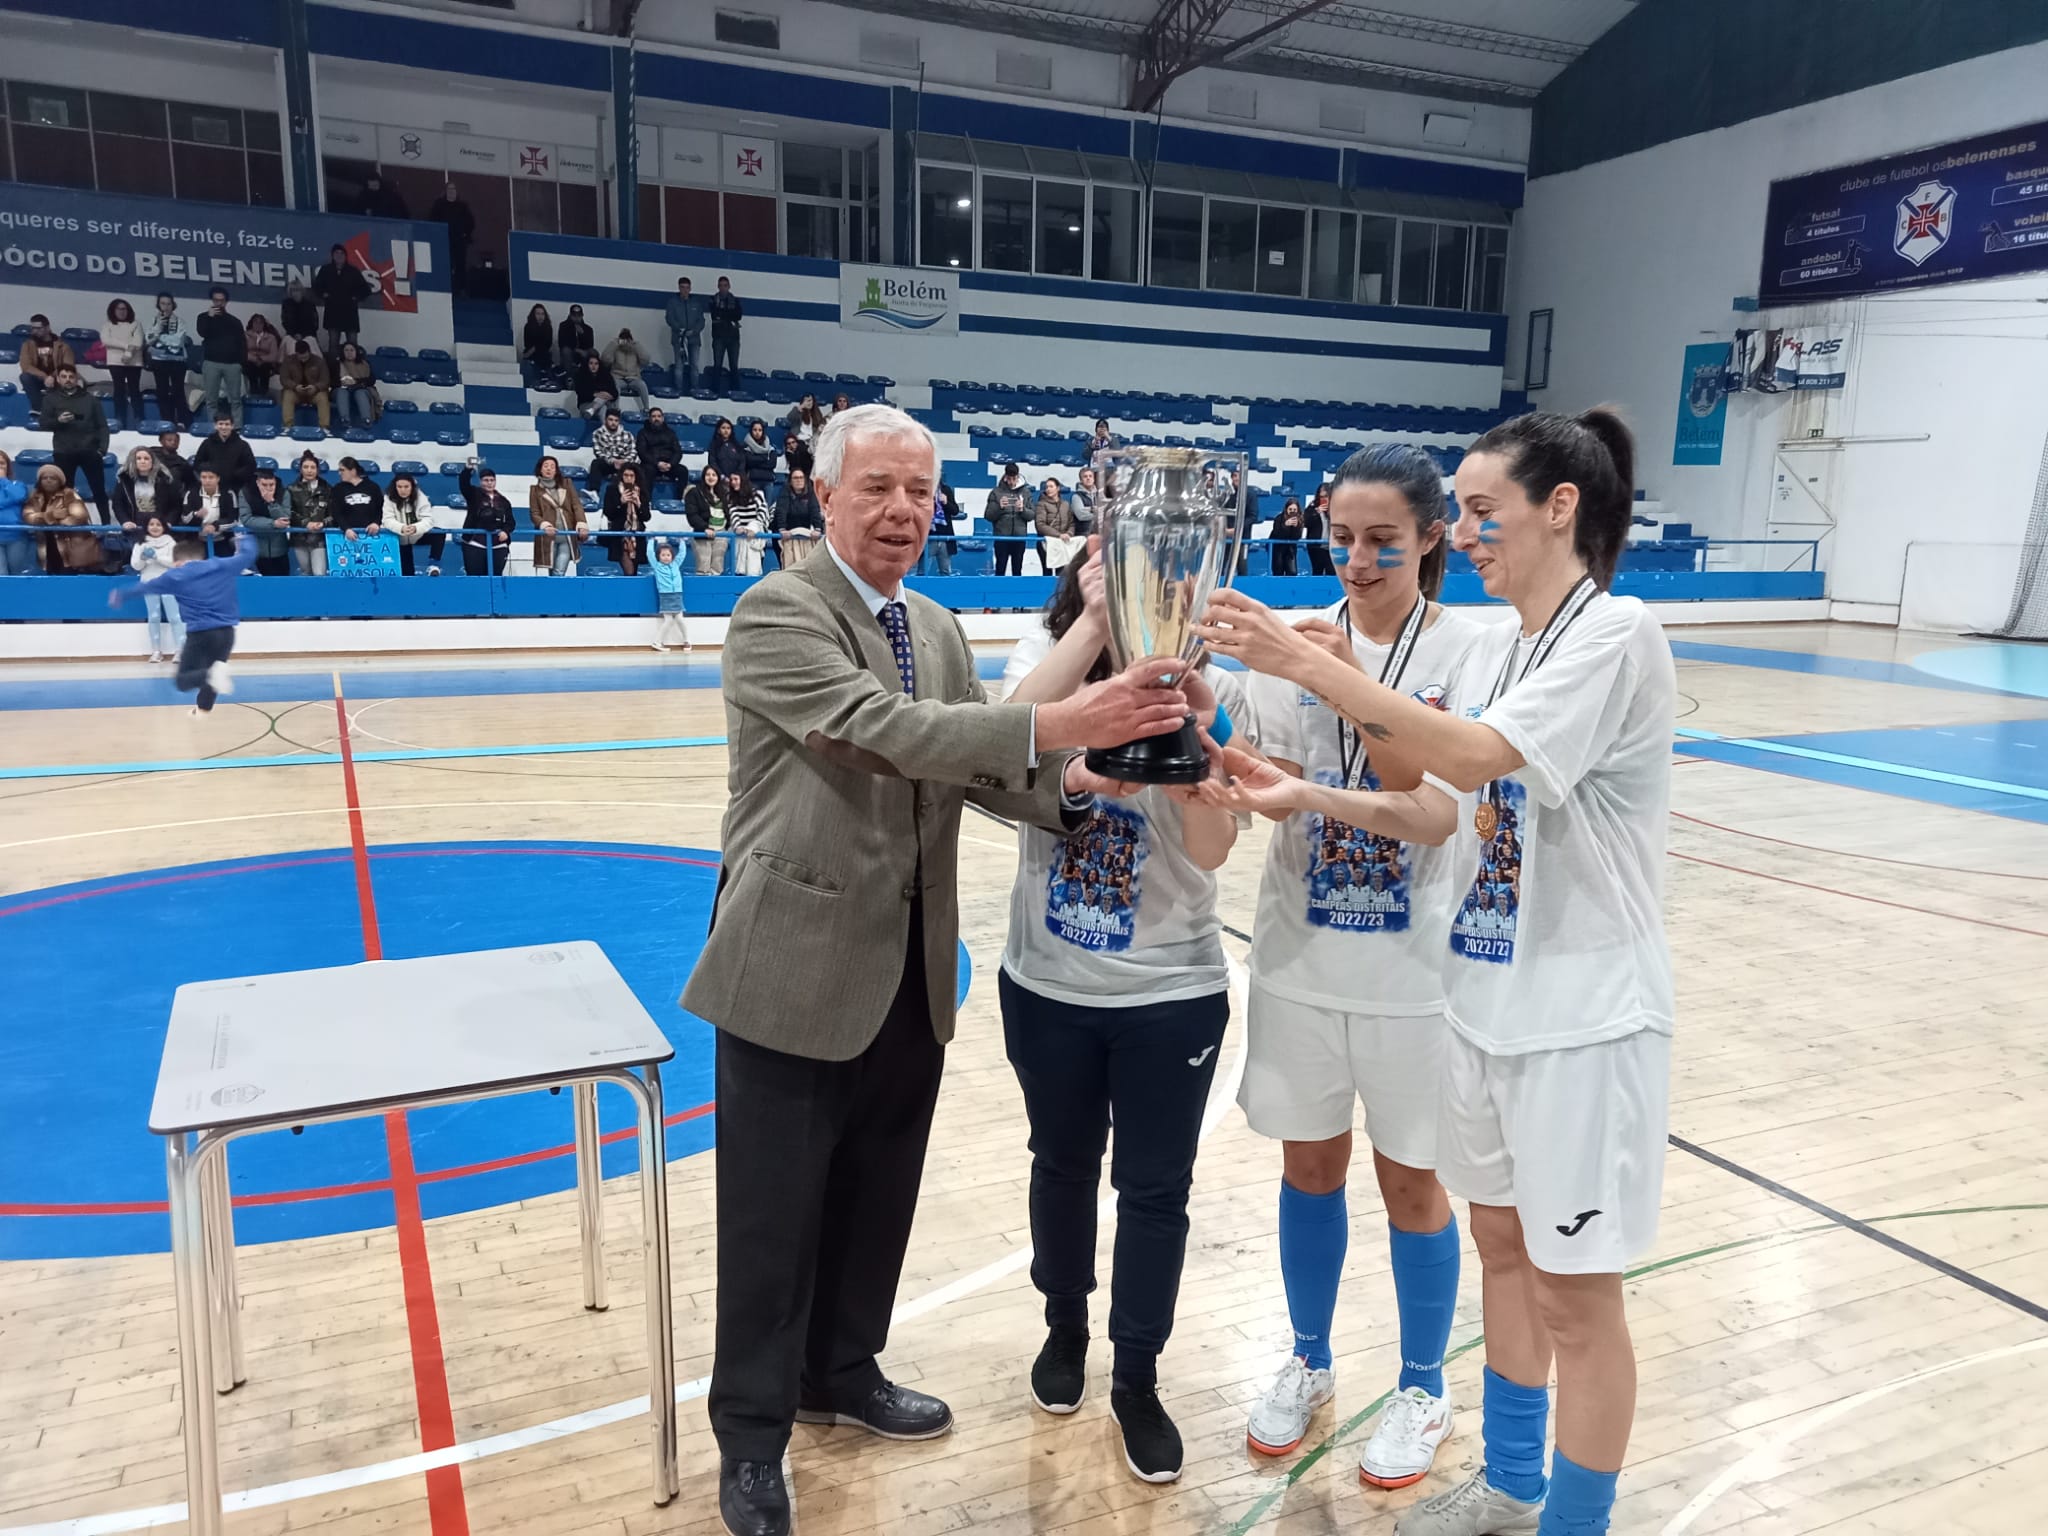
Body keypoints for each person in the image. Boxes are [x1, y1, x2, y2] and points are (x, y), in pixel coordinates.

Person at [680, 402, 1192, 1536]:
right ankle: (753, 1440)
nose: (903, 510)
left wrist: (1074, 784)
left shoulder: (940, 624)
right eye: (876, 487)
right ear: (822, 496)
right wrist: (1065, 714)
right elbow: (882, 733)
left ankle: (841, 1373)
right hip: (790, 965)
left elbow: (967, 769)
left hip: (910, 969)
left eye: (919, 490)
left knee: (877, 1195)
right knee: (771, 1222)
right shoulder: (776, 612)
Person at [1197, 409, 1673, 1536]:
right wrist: (1311, 744)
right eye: (1456, 514)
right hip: (1483, 1000)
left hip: (1579, 1017)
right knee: (1501, 1251)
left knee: (1574, 1298)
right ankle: (1510, 1486)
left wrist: (1313, 666)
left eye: (1477, 512)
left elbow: (1468, 759)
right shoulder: (1511, 645)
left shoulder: (1617, 631)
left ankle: (1572, 1521)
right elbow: (1429, 797)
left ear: (1560, 507)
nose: (1462, 534)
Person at [1195, 446, 1482, 1491]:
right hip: (1299, 958)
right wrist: (1211, 733)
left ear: (1431, 535)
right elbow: (1261, 769)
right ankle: (1309, 1363)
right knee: (1306, 1168)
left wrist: (1332, 675)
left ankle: (1421, 1386)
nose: (1356, 563)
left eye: (1382, 542)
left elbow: (1424, 793)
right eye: (1342, 539)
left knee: (1412, 1181)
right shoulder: (1290, 641)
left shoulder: (1471, 652)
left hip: (1416, 973)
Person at [998, 546, 1243, 1484]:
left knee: (1154, 1194)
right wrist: (1097, 626)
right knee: (1060, 1166)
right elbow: (999, 733)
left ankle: (1137, 1375)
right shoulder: (1045, 651)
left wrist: (1197, 769)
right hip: (1051, 986)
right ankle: (1065, 1326)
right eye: (1117, 569)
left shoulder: (1211, 685)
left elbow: (1216, 849)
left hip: (1170, 993)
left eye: (1154, 574)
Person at [106, 527, 258, 714]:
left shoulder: (176, 576)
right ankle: (203, 709)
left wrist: (121, 594)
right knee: (216, 671)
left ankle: (209, 681)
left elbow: (145, 587)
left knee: (184, 680)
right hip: (227, 634)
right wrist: (244, 537)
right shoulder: (221, 566)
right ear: (200, 557)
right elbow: (248, 555)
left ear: (177, 562)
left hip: (200, 634)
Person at [38, 363, 111, 523]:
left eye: (71, 376)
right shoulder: (50, 399)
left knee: (99, 491)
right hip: (63, 452)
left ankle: (107, 526)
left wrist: (102, 450)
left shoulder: (91, 400)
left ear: (76, 378)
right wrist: (58, 421)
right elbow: (43, 423)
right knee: (64, 492)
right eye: (64, 377)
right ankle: (66, 526)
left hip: (90, 452)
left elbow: (103, 426)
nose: (68, 380)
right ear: (58, 379)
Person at [24, 465, 101, 574]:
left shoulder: (69, 494)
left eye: (53, 478)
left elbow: (79, 517)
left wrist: (48, 520)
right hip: (46, 547)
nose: (48, 480)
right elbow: (28, 517)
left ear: (60, 481)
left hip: (69, 548)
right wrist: (52, 515)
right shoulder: (35, 496)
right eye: (44, 478)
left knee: (69, 580)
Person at [130, 515, 186, 659]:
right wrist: (143, 558)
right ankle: (156, 651)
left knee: (174, 617)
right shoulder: (140, 544)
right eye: (151, 524)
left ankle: (180, 650)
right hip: (149, 584)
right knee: (154, 617)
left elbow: (175, 562)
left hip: (168, 584)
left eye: (158, 524)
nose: (155, 527)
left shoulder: (170, 542)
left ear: (164, 527)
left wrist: (157, 558)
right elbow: (136, 566)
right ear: (147, 527)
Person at [194, 287, 247, 428]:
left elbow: (242, 343)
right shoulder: (203, 318)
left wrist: (241, 363)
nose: (219, 303)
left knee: (235, 400)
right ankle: (213, 428)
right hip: (211, 363)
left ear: (226, 302)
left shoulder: (234, 321)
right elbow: (202, 332)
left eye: (222, 300)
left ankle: (237, 428)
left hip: (232, 365)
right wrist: (209, 317)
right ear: (212, 300)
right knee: (211, 400)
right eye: (216, 300)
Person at [313, 245, 375, 356]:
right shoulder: (326, 270)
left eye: (342, 253)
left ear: (346, 256)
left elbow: (365, 289)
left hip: (349, 312)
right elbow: (317, 287)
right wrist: (324, 294)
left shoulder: (353, 271)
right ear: (332, 255)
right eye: (336, 253)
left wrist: (356, 297)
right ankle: (334, 371)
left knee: (352, 344)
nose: (339, 256)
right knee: (333, 344)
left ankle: (354, 370)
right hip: (333, 311)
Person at [529, 455, 585, 576]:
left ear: (556, 470)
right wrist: (544, 525)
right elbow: (534, 513)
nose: (549, 469)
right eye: (546, 466)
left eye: (552, 466)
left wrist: (582, 523)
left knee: (559, 572)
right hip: (548, 537)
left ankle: (555, 593)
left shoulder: (567, 483)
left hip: (567, 535)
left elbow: (577, 505)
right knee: (552, 571)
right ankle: (554, 593)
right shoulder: (535, 490)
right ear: (540, 469)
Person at [457, 460, 514, 576]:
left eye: (492, 480)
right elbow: (464, 485)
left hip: (498, 545)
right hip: (474, 543)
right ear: (480, 481)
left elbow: (511, 521)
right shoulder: (473, 494)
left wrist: (506, 532)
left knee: (495, 579)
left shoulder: (504, 501)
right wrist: (467, 470)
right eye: (486, 480)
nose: (489, 483)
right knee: (475, 579)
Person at [145, 293, 191, 427]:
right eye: (163, 303)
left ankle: (183, 421)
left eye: (168, 303)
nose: (166, 306)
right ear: (158, 305)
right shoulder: (153, 321)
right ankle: (167, 421)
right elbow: (149, 340)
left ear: (173, 305)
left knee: (178, 390)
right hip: (159, 361)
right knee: (162, 391)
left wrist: (160, 338)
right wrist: (159, 330)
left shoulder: (180, 321)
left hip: (178, 361)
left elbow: (178, 341)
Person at [386, 471, 445, 575]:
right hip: (399, 538)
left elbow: (428, 519)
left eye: (406, 486)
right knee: (407, 573)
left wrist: (416, 528)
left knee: (439, 533)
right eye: (399, 487)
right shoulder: (388, 498)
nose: (402, 490)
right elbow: (387, 520)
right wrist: (401, 528)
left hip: (417, 534)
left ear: (412, 486)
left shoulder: (420, 497)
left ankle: (433, 564)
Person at [114, 446, 177, 543]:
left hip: (160, 524)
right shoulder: (124, 480)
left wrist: (168, 521)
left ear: (153, 461)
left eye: (146, 458)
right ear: (133, 461)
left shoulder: (165, 479)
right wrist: (125, 521)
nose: (142, 461)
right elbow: (118, 504)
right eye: (138, 459)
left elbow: (175, 505)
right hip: (134, 524)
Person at [239, 468, 295, 577]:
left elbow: (285, 518)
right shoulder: (246, 493)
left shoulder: (283, 492)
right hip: (257, 550)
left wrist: (272, 502)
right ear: (257, 483)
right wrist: (273, 523)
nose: (268, 489)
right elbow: (247, 519)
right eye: (264, 485)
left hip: (280, 550)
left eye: (271, 485)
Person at [103, 299, 147, 430]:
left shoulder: (136, 323)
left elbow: (138, 341)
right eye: (118, 309)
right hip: (115, 362)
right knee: (119, 390)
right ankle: (119, 419)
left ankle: (139, 420)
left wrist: (129, 353)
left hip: (134, 362)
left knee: (135, 391)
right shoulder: (108, 325)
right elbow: (106, 340)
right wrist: (127, 346)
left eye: (124, 309)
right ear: (113, 310)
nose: (121, 312)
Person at [193, 413, 257, 502]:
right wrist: (211, 474)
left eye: (227, 424)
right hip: (211, 488)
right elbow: (198, 464)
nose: (224, 427)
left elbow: (250, 466)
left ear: (232, 426)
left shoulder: (243, 445)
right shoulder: (207, 444)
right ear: (215, 426)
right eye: (221, 424)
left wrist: (234, 475)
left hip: (235, 488)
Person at [17, 314, 74, 413]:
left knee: (66, 377)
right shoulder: (27, 345)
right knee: (25, 377)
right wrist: (45, 376)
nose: (35, 331)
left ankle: (58, 409)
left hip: (57, 378)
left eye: (38, 328)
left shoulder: (63, 346)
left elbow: (68, 365)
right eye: (33, 328)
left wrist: (52, 376)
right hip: (38, 378)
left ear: (47, 328)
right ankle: (39, 409)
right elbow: (26, 366)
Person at [286, 454, 333, 575]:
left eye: (312, 467)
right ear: (301, 469)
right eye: (306, 467)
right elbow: (288, 511)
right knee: (305, 572)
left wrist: (323, 523)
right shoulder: (291, 489)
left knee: (319, 573)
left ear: (317, 470)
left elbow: (333, 513)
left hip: (319, 538)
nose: (309, 470)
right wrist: (306, 523)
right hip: (299, 538)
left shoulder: (328, 489)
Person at [985, 462, 1031, 576]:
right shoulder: (996, 492)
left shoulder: (1026, 492)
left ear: (1018, 476)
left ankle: (1017, 593)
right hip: (1002, 537)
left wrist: (1022, 509)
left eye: (1014, 478)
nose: (1011, 481)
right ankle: (997, 593)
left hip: (1019, 538)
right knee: (1000, 568)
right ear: (1005, 477)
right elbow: (988, 515)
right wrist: (999, 507)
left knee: (1017, 569)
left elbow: (1031, 515)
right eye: (1009, 478)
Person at [429, 182, 475, 296]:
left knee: (460, 265)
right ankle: (445, 288)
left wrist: (466, 234)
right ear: (445, 191)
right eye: (449, 189)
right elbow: (432, 220)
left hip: (459, 240)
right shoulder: (439, 205)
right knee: (445, 264)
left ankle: (461, 289)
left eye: (453, 189)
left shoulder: (462, 206)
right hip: (443, 240)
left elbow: (471, 222)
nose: (451, 192)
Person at [604, 461, 649, 577]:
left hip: (637, 536)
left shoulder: (642, 492)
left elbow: (646, 517)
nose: (628, 478)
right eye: (626, 475)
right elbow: (608, 513)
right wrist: (621, 503)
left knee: (633, 571)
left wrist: (639, 504)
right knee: (629, 572)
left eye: (631, 476)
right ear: (621, 476)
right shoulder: (612, 490)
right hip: (620, 535)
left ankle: (631, 593)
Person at [771, 467, 822, 566]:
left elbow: (814, 510)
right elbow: (781, 511)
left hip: (804, 532)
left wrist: (818, 528)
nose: (799, 480)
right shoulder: (784, 493)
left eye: (801, 477)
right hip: (786, 531)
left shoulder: (811, 493)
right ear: (790, 481)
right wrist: (782, 529)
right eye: (795, 478)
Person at [722, 469, 768, 578]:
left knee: (753, 525)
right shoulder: (730, 497)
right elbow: (733, 514)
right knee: (740, 536)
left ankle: (753, 574)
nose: (733, 482)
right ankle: (741, 574)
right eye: (732, 480)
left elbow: (763, 512)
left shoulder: (757, 494)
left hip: (757, 531)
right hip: (741, 533)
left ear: (742, 480)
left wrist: (753, 529)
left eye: (736, 479)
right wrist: (739, 527)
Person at [665, 275, 706, 391]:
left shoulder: (696, 303)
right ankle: (678, 390)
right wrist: (680, 329)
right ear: (679, 288)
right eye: (682, 287)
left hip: (694, 340)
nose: (685, 290)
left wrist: (694, 331)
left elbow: (701, 320)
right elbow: (669, 318)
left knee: (695, 366)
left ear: (690, 288)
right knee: (679, 366)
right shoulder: (672, 302)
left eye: (687, 287)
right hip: (679, 340)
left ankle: (695, 389)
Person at [282, 340, 332, 432]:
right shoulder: (288, 361)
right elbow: (284, 379)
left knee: (323, 397)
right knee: (288, 394)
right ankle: (288, 426)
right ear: (296, 353)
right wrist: (295, 386)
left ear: (309, 352)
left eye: (305, 357)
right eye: (301, 357)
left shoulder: (319, 361)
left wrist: (316, 387)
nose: (303, 359)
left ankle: (324, 427)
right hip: (296, 392)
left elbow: (325, 380)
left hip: (314, 392)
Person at [331, 458, 384, 543]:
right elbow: (336, 512)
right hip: (346, 535)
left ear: (353, 470)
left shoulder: (372, 487)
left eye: (342, 470)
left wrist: (376, 523)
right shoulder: (337, 489)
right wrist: (346, 529)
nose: (339, 473)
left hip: (371, 535)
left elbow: (381, 508)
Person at [685, 463, 726, 575]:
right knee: (703, 566)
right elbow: (692, 515)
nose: (711, 477)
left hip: (721, 534)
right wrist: (704, 528)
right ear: (703, 477)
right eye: (708, 474)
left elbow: (729, 513)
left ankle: (715, 591)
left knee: (717, 567)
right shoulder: (694, 492)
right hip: (702, 535)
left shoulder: (724, 493)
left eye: (714, 474)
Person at [1034, 476, 1079, 575]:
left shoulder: (1065, 504)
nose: (1048, 489)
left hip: (1062, 543)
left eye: (1051, 486)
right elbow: (1040, 525)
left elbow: (1071, 523)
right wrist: (1058, 535)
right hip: (1046, 543)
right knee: (1047, 572)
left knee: (1061, 573)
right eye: (1047, 487)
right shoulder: (1041, 504)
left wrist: (1069, 534)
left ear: (1057, 488)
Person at [650, 539, 689, 652]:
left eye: (668, 555)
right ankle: (657, 642)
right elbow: (650, 554)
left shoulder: (676, 564)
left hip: (677, 594)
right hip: (665, 595)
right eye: (663, 555)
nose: (666, 557)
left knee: (680, 619)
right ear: (659, 556)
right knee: (668, 620)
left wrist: (682, 542)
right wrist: (651, 541)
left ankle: (687, 641)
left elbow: (682, 554)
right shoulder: (657, 566)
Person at [637, 408, 686, 497]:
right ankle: (646, 501)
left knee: (683, 471)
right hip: (650, 464)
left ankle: (680, 499)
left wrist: (670, 464)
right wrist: (657, 463)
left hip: (668, 465)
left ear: (663, 418)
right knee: (647, 470)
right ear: (649, 418)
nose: (656, 419)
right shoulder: (642, 433)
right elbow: (642, 452)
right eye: (654, 416)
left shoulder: (671, 433)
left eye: (659, 416)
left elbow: (677, 451)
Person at [588, 408, 637, 498]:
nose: (613, 423)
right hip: (608, 463)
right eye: (610, 420)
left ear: (619, 421)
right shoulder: (598, 433)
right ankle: (594, 492)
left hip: (625, 464)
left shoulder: (628, 435)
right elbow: (598, 452)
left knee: (639, 467)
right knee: (596, 463)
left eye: (616, 420)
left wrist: (624, 461)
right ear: (605, 420)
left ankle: (642, 497)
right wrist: (613, 461)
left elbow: (633, 451)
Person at [185, 467, 236, 553]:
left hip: (222, 539)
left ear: (218, 478)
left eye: (211, 477)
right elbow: (184, 518)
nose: (207, 480)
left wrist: (215, 526)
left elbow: (233, 519)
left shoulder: (228, 494)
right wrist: (196, 514)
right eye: (204, 477)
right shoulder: (191, 493)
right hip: (196, 540)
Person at [0, 450, 33, 576]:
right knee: (1, 576)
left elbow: (19, 495)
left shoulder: (17, 484)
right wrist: (9, 500)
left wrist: (3, 481)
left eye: (2, 463)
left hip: (16, 537)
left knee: (16, 574)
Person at [604, 329, 652, 412]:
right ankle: (614, 409)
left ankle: (646, 408)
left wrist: (637, 346)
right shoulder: (615, 349)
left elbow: (646, 360)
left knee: (642, 385)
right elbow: (605, 360)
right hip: (617, 377)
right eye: (623, 339)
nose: (625, 342)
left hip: (633, 378)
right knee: (614, 385)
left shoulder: (635, 349)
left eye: (627, 339)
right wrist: (613, 344)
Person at [333, 343, 380, 427]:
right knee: (342, 392)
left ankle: (366, 420)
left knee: (360, 393)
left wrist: (355, 381)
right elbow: (332, 381)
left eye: (352, 350)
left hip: (360, 389)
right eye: (346, 350)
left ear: (356, 352)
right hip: (342, 389)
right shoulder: (337, 364)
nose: (349, 352)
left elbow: (371, 380)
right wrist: (343, 382)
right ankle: (344, 419)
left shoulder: (365, 364)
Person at [707, 275, 742, 387]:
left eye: (725, 285)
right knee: (717, 365)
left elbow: (738, 315)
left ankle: (735, 391)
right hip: (718, 337)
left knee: (734, 366)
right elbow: (714, 314)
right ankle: (715, 390)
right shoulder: (712, 300)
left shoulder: (735, 300)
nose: (723, 288)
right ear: (718, 286)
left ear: (729, 286)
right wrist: (729, 316)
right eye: (721, 285)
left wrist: (722, 315)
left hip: (733, 338)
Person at [922, 480, 960, 575]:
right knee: (922, 571)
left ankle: (947, 589)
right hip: (928, 538)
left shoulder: (946, 490)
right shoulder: (922, 490)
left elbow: (955, 510)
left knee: (945, 571)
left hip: (945, 538)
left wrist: (946, 502)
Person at [243, 314, 283, 403]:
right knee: (250, 367)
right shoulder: (245, 335)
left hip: (265, 362)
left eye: (260, 323)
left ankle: (263, 394)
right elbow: (242, 352)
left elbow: (274, 355)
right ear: (251, 323)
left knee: (265, 368)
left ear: (264, 325)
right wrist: (254, 359)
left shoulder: (271, 338)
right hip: (250, 361)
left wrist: (261, 359)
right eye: (255, 322)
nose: (258, 324)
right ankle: (253, 392)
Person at [573, 351, 619, 422]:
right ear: (587, 364)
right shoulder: (581, 375)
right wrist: (595, 394)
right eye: (591, 363)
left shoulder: (605, 375)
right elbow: (580, 393)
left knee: (603, 407)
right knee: (603, 407)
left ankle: (593, 410)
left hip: (604, 404)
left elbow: (615, 393)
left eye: (596, 364)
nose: (593, 366)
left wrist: (608, 395)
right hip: (586, 405)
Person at [153, 429, 194, 505]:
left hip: (172, 502)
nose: (173, 442)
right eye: (169, 440)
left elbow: (190, 484)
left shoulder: (183, 463)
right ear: (161, 441)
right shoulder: (150, 456)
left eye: (176, 441)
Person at [739, 419, 778, 497]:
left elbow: (772, 464)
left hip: (768, 481)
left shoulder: (770, 447)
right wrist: (765, 458)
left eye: (760, 430)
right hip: (752, 481)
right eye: (755, 430)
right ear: (751, 431)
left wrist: (756, 461)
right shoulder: (745, 447)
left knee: (767, 507)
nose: (757, 432)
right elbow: (749, 461)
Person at [1305, 483, 1336, 577]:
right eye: (1321, 496)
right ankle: (1315, 590)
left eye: (1326, 496)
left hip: (1332, 546)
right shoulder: (1312, 508)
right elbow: (1305, 523)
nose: (1323, 499)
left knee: (1332, 571)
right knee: (1317, 570)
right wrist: (1316, 513)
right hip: (1316, 546)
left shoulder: (1337, 508)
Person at [1270, 496, 1304, 576]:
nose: (1292, 512)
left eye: (1295, 510)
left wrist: (1296, 528)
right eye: (1290, 509)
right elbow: (1277, 533)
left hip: (1290, 550)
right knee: (1278, 571)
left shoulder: (1299, 520)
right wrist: (1285, 526)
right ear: (1286, 509)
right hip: (1278, 549)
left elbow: (1297, 537)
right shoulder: (1279, 518)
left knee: (1292, 572)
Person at [280, 279, 320, 346]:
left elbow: (315, 323)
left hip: (308, 335)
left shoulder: (310, 304)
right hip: (292, 335)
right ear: (290, 292)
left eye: (297, 290)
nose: (295, 293)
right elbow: (285, 321)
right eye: (293, 290)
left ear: (302, 291)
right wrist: (294, 334)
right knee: (287, 341)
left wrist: (303, 335)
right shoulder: (286, 304)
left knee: (311, 342)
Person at [557, 305, 595, 372]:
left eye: (579, 316)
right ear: (570, 316)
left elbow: (590, 345)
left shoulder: (588, 329)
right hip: (570, 352)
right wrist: (577, 350)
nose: (577, 318)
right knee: (566, 351)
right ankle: (569, 377)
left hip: (584, 352)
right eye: (574, 316)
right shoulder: (563, 326)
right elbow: (562, 343)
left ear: (582, 316)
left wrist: (582, 334)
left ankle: (592, 376)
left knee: (593, 352)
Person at [521, 304, 556, 372]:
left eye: (542, 314)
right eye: (538, 314)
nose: (540, 316)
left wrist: (536, 346)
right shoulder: (528, 327)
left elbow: (548, 344)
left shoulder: (548, 327)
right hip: (531, 354)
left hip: (543, 354)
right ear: (533, 315)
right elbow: (527, 344)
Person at [1069, 466, 1100, 537]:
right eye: (1085, 476)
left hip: (1099, 533)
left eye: (1090, 476)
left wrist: (1088, 509)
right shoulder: (1076, 497)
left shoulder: (1100, 495)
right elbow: (1081, 515)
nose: (1088, 478)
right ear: (1081, 480)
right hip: (1083, 535)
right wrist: (1097, 511)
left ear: (1094, 479)